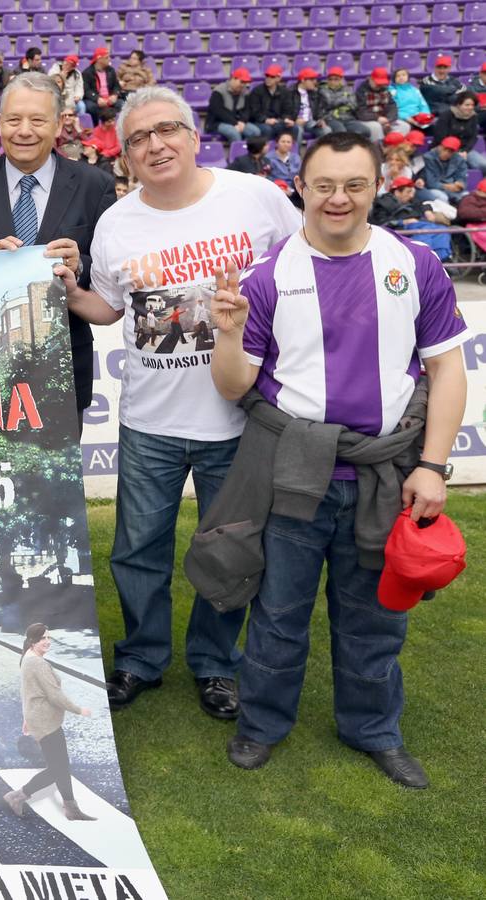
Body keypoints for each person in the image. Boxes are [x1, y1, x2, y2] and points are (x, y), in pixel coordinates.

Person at [203, 131, 469, 788]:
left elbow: (447, 368)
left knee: (375, 617)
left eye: (353, 185)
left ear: (376, 186)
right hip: (294, 476)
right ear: (301, 186)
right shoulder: (267, 276)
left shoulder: (413, 264)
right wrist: (229, 334)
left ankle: (372, 729)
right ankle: (262, 724)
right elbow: (235, 387)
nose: (337, 199)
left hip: (385, 476)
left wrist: (431, 466)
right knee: (278, 612)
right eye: (323, 185)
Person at [51, 86, 302, 715]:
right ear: (125, 156)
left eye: (167, 131)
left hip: (240, 418)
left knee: (230, 551)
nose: (155, 145)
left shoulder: (257, 198)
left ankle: (217, 664)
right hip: (149, 421)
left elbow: (307, 270)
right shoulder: (116, 222)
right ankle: (140, 658)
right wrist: (59, 286)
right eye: (138, 139)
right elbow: (107, 310)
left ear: (194, 136)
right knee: (138, 551)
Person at [0, 72, 116, 421]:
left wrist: (78, 264)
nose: (24, 130)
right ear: (0, 123)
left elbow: (109, 276)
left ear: (57, 125)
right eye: (13, 120)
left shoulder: (94, 185)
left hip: (65, 373)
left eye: (37, 120)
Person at [2, 624, 95, 821]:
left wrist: (26, 718)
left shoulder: (27, 658)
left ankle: (71, 808)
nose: (47, 642)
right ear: (32, 641)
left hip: (39, 719)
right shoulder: (37, 663)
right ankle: (17, 796)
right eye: (42, 638)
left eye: (48, 637)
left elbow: (28, 692)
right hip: (46, 722)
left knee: (60, 766)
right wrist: (79, 710)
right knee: (58, 768)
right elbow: (54, 695)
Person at [431, 92, 485, 173]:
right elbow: (440, 137)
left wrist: (465, 151)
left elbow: (473, 137)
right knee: (457, 167)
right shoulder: (446, 115)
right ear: (459, 104)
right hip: (444, 149)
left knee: (483, 165)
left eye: (472, 105)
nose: (470, 107)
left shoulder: (473, 116)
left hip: (464, 150)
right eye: (467, 105)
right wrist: (454, 151)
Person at [206, 68, 262, 144]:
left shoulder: (245, 92)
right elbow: (218, 112)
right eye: (241, 82)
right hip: (217, 123)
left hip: (238, 122)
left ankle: (249, 154)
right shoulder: (219, 91)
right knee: (234, 133)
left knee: (255, 132)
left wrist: (242, 121)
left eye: (245, 83)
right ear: (233, 79)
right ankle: (237, 154)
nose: (243, 85)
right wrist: (234, 123)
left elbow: (247, 110)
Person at [355, 67, 407, 143]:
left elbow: (392, 106)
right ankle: (380, 149)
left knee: (404, 126)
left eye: (381, 83)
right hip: (368, 120)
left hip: (385, 119)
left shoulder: (385, 89)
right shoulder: (361, 92)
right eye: (377, 83)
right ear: (371, 79)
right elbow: (361, 113)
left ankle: (394, 148)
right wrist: (377, 118)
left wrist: (388, 120)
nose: (379, 85)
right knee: (376, 127)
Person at [248, 65, 295, 140]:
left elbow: (288, 110)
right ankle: (268, 150)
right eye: (267, 76)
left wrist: (286, 119)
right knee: (268, 129)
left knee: (294, 128)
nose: (268, 79)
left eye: (272, 77)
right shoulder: (257, 91)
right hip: (259, 121)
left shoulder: (285, 92)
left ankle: (294, 151)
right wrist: (265, 120)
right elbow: (254, 111)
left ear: (279, 78)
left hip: (278, 121)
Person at [419, 135, 469, 203]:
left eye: (450, 151)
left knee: (467, 196)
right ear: (440, 146)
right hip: (434, 188)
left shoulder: (459, 159)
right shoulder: (428, 158)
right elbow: (430, 183)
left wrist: (459, 184)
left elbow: (461, 177)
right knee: (443, 197)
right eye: (445, 149)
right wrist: (447, 186)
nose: (446, 153)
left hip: (452, 188)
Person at [82, 47, 121, 124]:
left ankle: (117, 127)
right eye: (107, 57)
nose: (109, 59)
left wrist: (115, 95)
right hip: (95, 100)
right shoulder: (87, 73)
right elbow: (86, 90)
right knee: (91, 107)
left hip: (109, 98)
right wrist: (97, 98)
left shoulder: (111, 70)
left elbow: (116, 86)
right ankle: (96, 127)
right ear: (99, 59)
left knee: (121, 104)